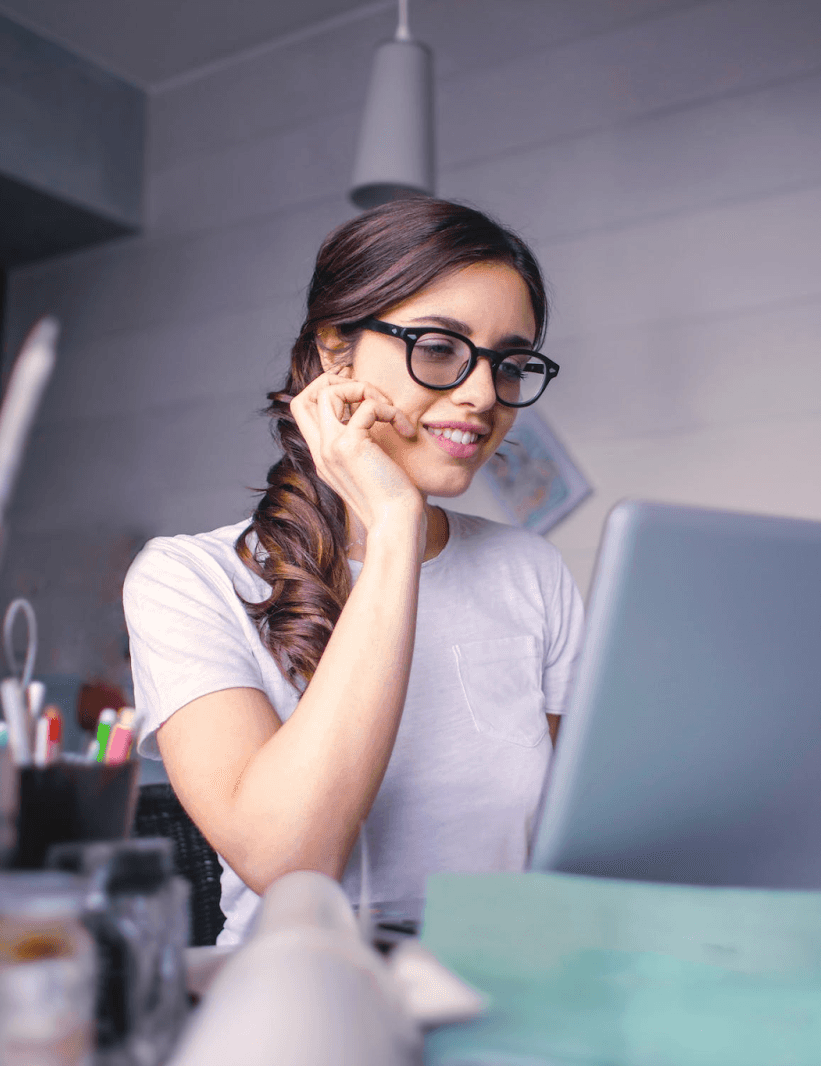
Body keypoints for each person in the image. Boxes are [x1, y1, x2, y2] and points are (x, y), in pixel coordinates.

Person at [123, 196, 585, 945]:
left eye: (511, 362)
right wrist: (396, 527)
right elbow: (290, 859)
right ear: (336, 352)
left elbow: (576, 839)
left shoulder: (532, 572)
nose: (481, 394)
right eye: (439, 346)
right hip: (305, 1006)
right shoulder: (189, 579)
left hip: (504, 990)